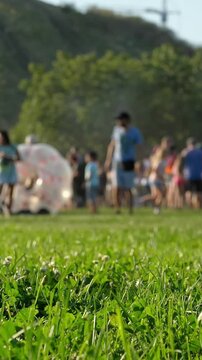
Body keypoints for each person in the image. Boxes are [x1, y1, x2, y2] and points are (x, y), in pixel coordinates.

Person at [105, 112, 143, 214]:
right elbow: (112, 145)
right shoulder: (116, 131)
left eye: (121, 120)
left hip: (129, 161)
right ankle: (117, 208)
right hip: (117, 161)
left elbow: (139, 147)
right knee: (116, 186)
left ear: (126, 120)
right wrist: (108, 160)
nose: (119, 122)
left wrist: (139, 161)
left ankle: (130, 208)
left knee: (129, 186)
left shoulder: (135, 132)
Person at [0, 130, 20, 215]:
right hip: (1, 171)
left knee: (11, 191)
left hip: (11, 171)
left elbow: (18, 158)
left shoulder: (12, 147)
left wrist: (8, 157)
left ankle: (9, 208)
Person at [181, 138, 202, 208]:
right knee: (198, 192)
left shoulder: (186, 152)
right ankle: (197, 206)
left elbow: (181, 162)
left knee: (189, 192)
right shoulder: (200, 152)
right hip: (199, 175)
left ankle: (190, 206)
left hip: (188, 175)